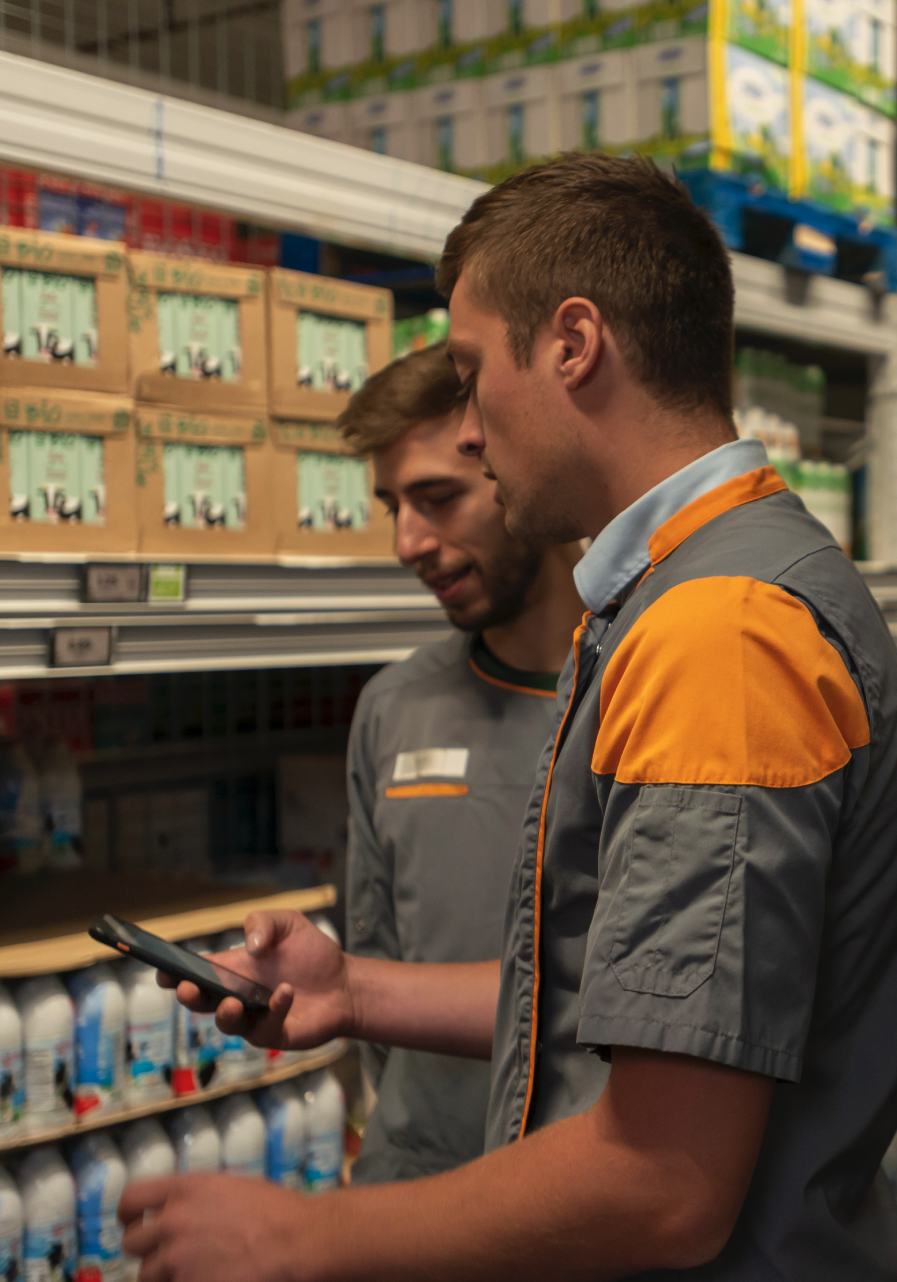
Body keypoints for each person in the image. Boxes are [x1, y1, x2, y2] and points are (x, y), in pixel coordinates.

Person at [122, 154, 897, 1282]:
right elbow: (626, 1001)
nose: (468, 424)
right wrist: (357, 990)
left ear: (572, 344)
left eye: (469, 373)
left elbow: (663, 1181)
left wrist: (313, 1233)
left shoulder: (719, 633)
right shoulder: (704, 588)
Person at [336, 346, 585, 1184]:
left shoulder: (646, 696)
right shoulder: (393, 708)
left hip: (589, 1196)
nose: (409, 541)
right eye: (393, 506)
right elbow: (371, 945)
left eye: (439, 498)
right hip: (421, 1180)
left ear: (518, 473)